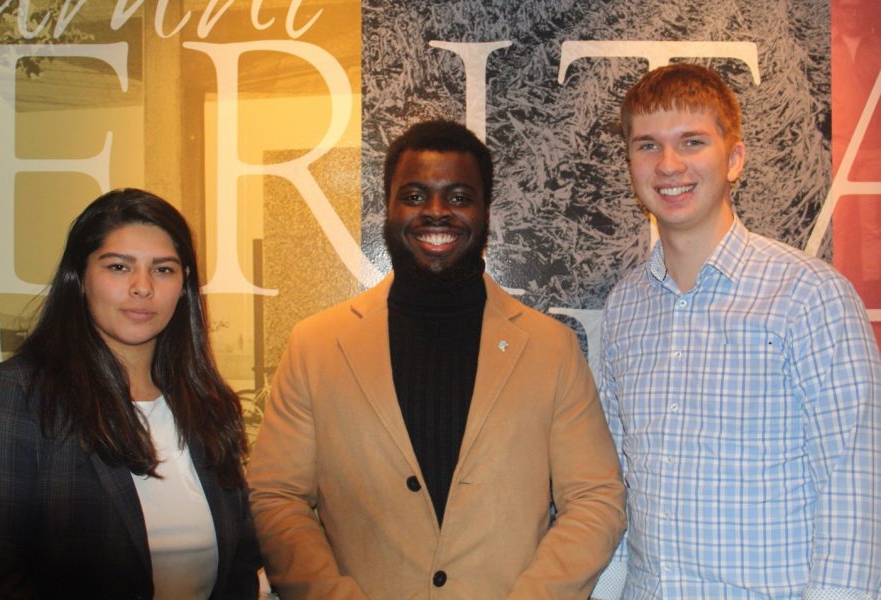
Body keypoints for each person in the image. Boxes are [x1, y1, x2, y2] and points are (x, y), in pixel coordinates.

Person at [248, 119, 625, 599]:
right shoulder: (315, 346)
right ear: (388, 208)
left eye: (459, 197)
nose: (437, 212)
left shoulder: (552, 349)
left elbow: (596, 498)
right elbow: (277, 497)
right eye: (415, 195)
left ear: (486, 211)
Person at [594, 63, 881, 599]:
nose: (669, 165)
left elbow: (856, 499)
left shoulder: (810, 296)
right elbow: (620, 487)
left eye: (693, 141)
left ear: (735, 159)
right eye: (647, 145)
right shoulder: (623, 309)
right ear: (630, 164)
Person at [0, 188, 261, 599]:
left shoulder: (207, 406)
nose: (142, 287)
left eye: (163, 270)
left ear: (183, 286)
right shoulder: (14, 396)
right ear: (79, 279)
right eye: (118, 267)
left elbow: (239, 563)